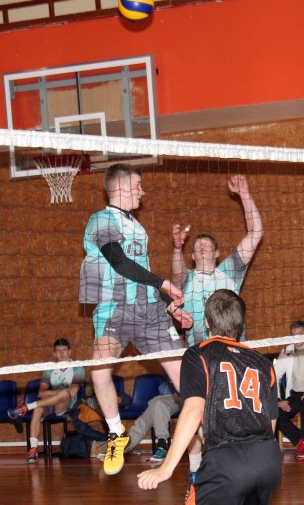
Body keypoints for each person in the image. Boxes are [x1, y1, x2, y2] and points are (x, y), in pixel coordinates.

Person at [138, 289, 282, 505]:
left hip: (228, 462)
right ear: (241, 323)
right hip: (268, 460)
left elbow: (193, 410)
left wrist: (166, 468)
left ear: (206, 322)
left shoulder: (198, 354)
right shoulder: (263, 363)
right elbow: (270, 423)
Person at [79, 162, 193, 476]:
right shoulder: (100, 220)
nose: (142, 192)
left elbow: (143, 275)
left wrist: (169, 307)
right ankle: (116, 433)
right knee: (99, 370)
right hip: (114, 309)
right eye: (138, 185)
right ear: (122, 187)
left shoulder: (138, 228)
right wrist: (164, 283)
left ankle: (211, 440)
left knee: (187, 380)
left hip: (150, 312)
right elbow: (118, 262)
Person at [171, 174, 263, 346]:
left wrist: (244, 194)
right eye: (198, 246)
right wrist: (177, 248)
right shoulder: (187, 278)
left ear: (217, 253)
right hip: (200, 351)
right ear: (192, 256)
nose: (202, 247)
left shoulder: (229, 270)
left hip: (233, 347)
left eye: (207, 245)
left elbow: (255, 233)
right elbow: (176, 274)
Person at [8, 338, 85, 464]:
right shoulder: (49, 370)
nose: (61, 353)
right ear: (54, 353)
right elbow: (41, 392)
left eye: (64, 350)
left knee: (65, 393)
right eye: (58, 351)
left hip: (67, 405)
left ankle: (27, 407)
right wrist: (57, 394)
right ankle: (33, 450)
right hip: (49, 403)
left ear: (70, 351)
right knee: (38, 409)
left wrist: (54, 393)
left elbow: (72, 393)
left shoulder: (78, 368)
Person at [274, 320, 304, 460]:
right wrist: (279, 400)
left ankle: (303, 442)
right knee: (275, 413)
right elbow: (273, 376)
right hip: (295, 395)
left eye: (300, 334)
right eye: (293, 334)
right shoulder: (287, 351)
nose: (296, 338)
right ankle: (303, 440)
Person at [125, 376, 182, 462]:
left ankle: (162, 445)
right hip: (168, 397)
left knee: (160, 404)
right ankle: (124, 446)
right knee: (148, 414)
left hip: (184, 398)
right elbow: (164, 388)